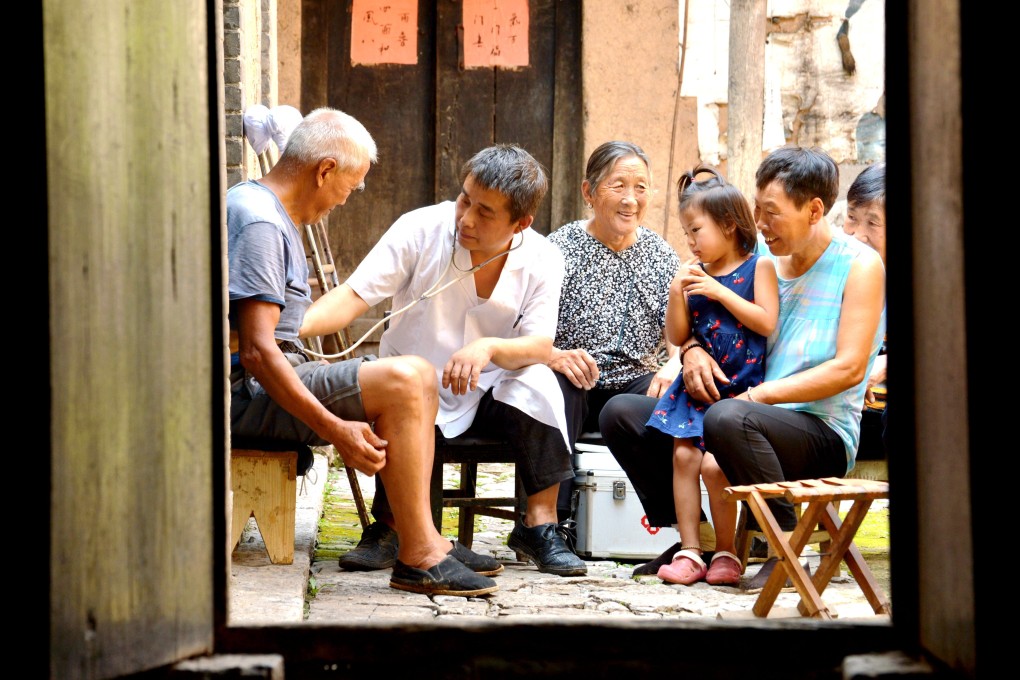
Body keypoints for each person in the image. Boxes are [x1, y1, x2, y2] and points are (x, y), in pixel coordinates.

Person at [228, 107, 499, 597]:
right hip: (242, 398)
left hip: (265, 381)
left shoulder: (264, 209)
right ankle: (418, 555)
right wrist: (336, 430)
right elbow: (257, 354)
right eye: (348, 187)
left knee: (417, 375)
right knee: (404, 378)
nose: (345, 200)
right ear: (324, 169)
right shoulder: (262, 222)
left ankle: (422, 538)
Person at [599, 146, 885, 583]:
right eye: (757, 210)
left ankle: (786, 546)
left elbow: (848, 370)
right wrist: (691, 349)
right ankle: (697, 544)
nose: (760, 223)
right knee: (622, 413)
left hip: (818, 428)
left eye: (771, 212)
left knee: (727, 417)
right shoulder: (762, 262)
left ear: (813, 210)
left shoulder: (860, 266)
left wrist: (759, 396)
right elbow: (709, 318)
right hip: (743, 413)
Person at [301, 144, 589, 577]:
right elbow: (353, 296)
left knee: (540, 383)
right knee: (404, 390)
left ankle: (540, 527)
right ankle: (393, 527)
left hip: (489, 383)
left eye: (485, 212)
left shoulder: (543, 257)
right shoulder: (420, 229)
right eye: (464, 199)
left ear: (521, 223)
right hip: (419, 378)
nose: (466, 218)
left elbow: (538, 344)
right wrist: (284, 329)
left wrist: (487, 347)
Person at [646, 165, 779, 586]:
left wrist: (720, 291)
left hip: (741, 387)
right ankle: (690, 549)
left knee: (715, 467)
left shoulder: (760, 268)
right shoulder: (692, 274)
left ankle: (727, 552)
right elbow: (679, 335)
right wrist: (676, 292)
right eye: (686, 233)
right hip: (697, 389)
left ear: (728, 225)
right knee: (684, 457)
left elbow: (766, 322)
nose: (690, 242)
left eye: (696, 230)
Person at [546, 141, 682, 526]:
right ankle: (550, 524)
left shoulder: (660, 254)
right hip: (572, 374)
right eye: (617, 185)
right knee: (557, 386)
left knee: (678, 401)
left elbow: (679, 327)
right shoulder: (560, 249)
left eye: (640, 187)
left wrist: (675, 361)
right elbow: (528, 323)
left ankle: (677, 527)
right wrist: (556, 355)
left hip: (635, 377)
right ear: (589, 192)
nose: (630, 199)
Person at [841, 161, 888, 455]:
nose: (857, 234)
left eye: (872, 222)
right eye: (851, 217)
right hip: (844, 412)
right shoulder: (837, 271)